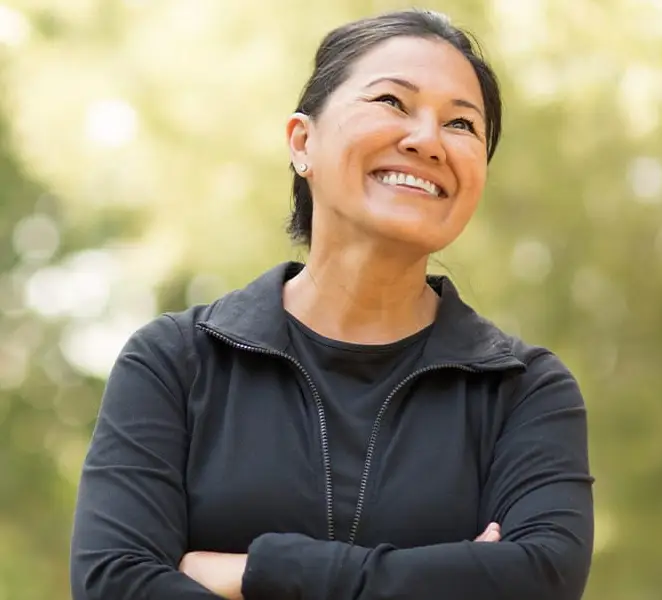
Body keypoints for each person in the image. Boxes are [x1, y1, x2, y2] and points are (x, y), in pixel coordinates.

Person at [69, 8, 594, 600]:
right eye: (393, 102)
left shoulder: (524, 391)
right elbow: (115, 584)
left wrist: (255, 570)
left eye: (462, 125)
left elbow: (539, 580)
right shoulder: (175, 362)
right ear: (302, 142)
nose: (426, 140)